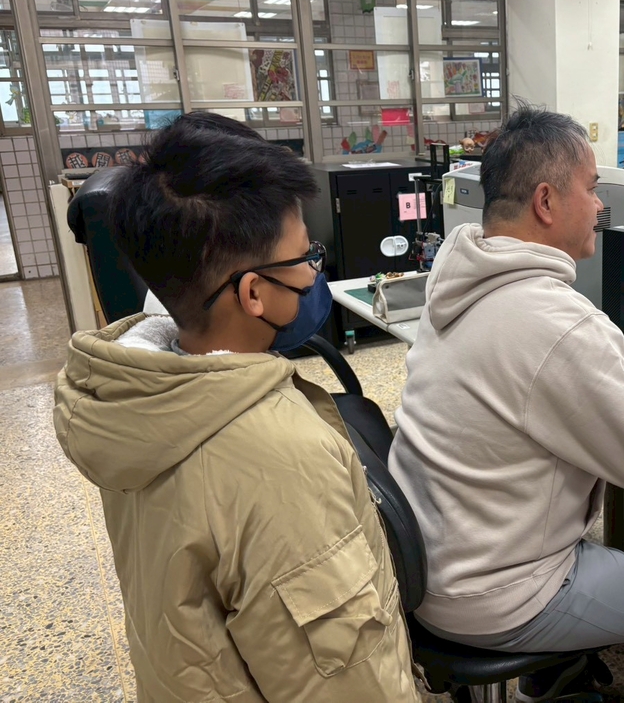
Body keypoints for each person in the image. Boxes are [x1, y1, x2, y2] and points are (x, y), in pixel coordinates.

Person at [53, 113, 418, 702]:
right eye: (305, 256)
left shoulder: (137, 396)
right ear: (253, 293)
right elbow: (346, 681)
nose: (314, 272)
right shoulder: (281, 460)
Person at [389, 105, 624, 703]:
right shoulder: (557, 322)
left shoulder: (458, 276)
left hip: (432, 564)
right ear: (546, 202)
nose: (602, 205)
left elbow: (539, 396)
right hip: (498, 591)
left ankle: (558, 673)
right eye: (591, 188)